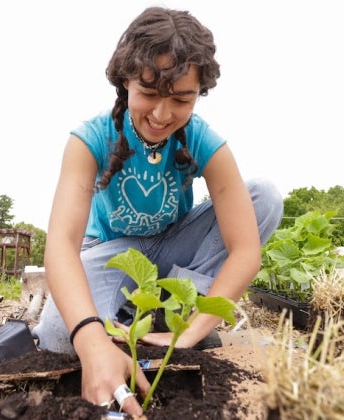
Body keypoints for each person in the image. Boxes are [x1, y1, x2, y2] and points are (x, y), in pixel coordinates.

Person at [32, 6, 283, 416]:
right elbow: (61, 244)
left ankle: (170, 318)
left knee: (265, 196)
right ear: (124, 82)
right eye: (148, 94)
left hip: (171, 245)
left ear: (198, 94)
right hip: (112, 253)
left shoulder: (205, 142)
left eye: (182, 99)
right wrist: (90, 338)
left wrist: (192, 331)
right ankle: (121, 316)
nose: (162, 115)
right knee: (63, 336)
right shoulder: (91, 138)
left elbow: (245, 250)